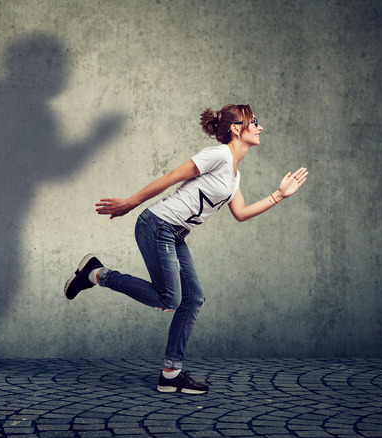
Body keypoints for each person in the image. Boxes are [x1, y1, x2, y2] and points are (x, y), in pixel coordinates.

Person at [64, 104, 308, 394]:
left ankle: (171, 373)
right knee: (169, 299)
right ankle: (95, 273)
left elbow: (240, 213)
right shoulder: (217, 155)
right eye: (254, 122)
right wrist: (130, 203)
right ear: (235, 128)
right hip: (156, 225)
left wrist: (278, 195)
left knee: (193, 299)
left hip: (176, 235)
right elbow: (171, 178)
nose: (259, 127)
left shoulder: (234, 175)